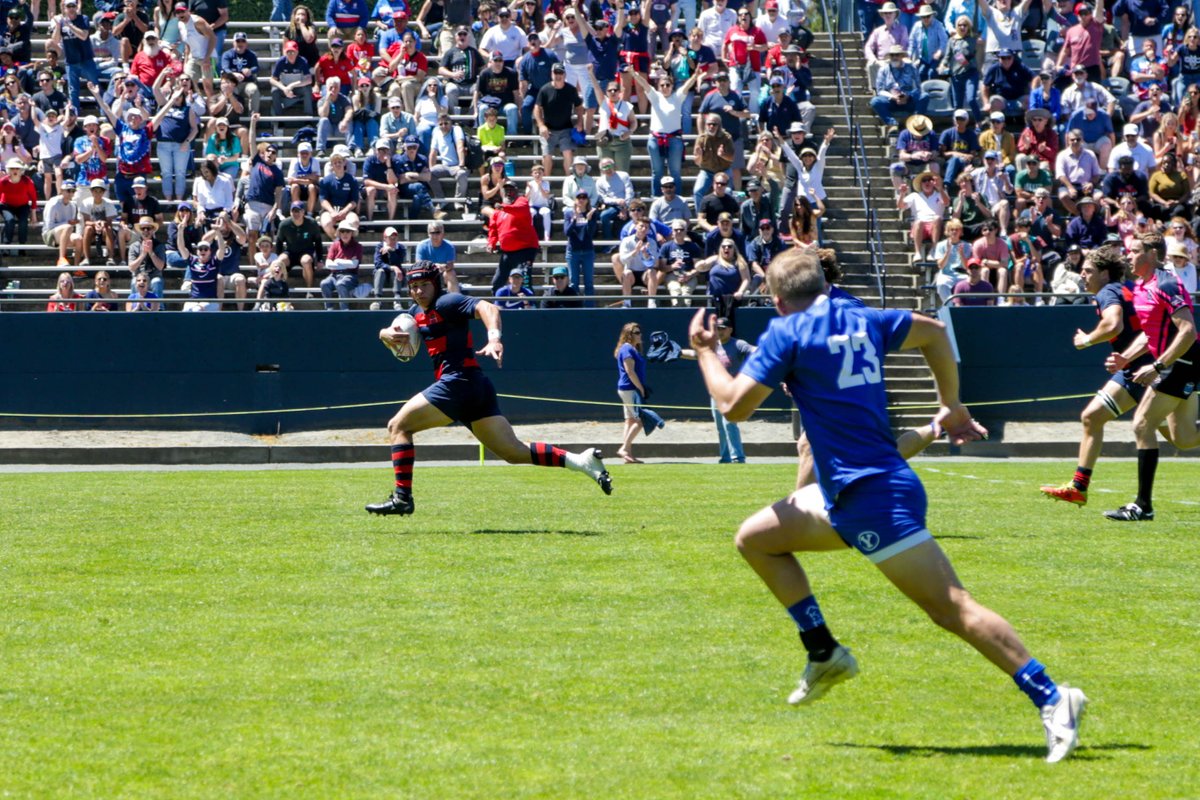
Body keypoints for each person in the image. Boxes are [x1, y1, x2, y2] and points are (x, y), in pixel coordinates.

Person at [686, 247, 1087, 764]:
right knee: (756, 539)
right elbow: (936, 332)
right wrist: (951, 403)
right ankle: (823, 651)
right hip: (850, 491)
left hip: (871, 496)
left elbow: (733, 406)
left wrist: (705, 350)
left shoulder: (787, 332)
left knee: (951, 608)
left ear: (777, 298)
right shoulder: (861, 315)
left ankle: (1053, 698)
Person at [366, 262, 613, 516]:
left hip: (457, 382)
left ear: (436, 284)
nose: (418, 291)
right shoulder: (415, 312)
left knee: (398, 426)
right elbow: (389, 330)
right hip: (475, 385)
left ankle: (402, 498)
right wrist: (386, 334)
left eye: (424, 285)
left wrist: (494, 337)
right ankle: (582, 461)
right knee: (513, 452)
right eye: (413, 287)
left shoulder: (447, 302)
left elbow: (488, 307)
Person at [1040, 244, 1180, 505]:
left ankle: (1127, 501)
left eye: (1088, 270)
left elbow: (1113, 323)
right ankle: (1079, 487)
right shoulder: (1126, 288)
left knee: (1182, 438)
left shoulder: (1108, 291)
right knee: (1092, 417)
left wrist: (1087, 340)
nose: (1083, 275)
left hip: (1150, 373)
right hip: (1134, 370)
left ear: (1105, 273)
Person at [1102, 231, 1200, 520]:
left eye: (1134, 251)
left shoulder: (1167, 283)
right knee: (1183, 438)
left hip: (1181, 362)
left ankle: (1142, 506)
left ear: (1152, 254)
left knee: (1143, 424)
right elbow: (1150, 333)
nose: (1128, 256)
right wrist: (1126, 358)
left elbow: (1187, 331)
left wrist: (1157, 366)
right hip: (1176, 363)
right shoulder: (1142, 286)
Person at [681, 317, 756, 463]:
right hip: (715, 392)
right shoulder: (712, 345)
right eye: (717, 328)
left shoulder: (738, 344)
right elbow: (697, 354)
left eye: (723, 328)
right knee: (720, 426)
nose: (719, 331)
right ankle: (726, 457)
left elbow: (753, 350)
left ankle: (737, 457)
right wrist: (678, 352)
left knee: (729, 423)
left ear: (730, 330)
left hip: (731, 390)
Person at [486, 180, 539, 293]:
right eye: (506, 190)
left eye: (511, 189)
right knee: (497, 283)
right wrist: (491, 243)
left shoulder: (522, 201)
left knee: (524, 282)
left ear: (516, 191)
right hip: (507, 252)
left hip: (525, 250)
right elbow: (493, 228)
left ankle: (529, 307)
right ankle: (498, 307)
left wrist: (503, 207)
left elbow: (519, 210)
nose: (509, 193)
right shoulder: (497, 211)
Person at [615, 321, 650, 464]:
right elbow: (630, 371)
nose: (640, 335)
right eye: (636, 333)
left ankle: (627, 454)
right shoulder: (627, 349)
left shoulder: (632, 349)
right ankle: (624, 448)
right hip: (630, 389)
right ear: (628, 335)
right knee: (640, 420)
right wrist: (641, 387)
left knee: (629, 420)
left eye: (639, 332)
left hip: (628, 389)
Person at [274, 201, 325, 287]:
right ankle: (280, 287)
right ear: (290, 212)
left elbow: (318, 242)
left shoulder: (311, 223)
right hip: (290, 252)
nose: (296, 213)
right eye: (293, 211)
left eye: (298, 211)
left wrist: (319, 259)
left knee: (306, 261)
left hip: (306, 251)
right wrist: (278, 256)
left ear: (303, 212)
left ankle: (309, 290)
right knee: (280, 261)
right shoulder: (284, 225)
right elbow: (279, 242)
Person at [563, 188, 598, 304]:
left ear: (587, 200)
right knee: (574, 282)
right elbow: (567, 232)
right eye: (579, 197)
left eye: (584, 197)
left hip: (587, 251)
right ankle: (575, 307)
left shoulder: (592, 213)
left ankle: (589, 309)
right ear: (575, 199)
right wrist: (574, 219)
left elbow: (592, 233)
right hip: (573, 251)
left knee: (589, 283)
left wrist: (588, 220)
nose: (581, 200)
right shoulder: (569, 213)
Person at [321, 218, 364, 310]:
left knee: (341, 284)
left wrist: (337, 261)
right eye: (342, 231)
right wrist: (347, 263)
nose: (345, 234)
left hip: (351, 276)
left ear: (351, 233)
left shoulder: (358, 246)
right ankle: (329, 309)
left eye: (348, 231)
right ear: (339, 233)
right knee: (324, 283)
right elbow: (328, 264)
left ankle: (345, 310)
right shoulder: (334, 245)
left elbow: (354, 265)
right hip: (334, 275)